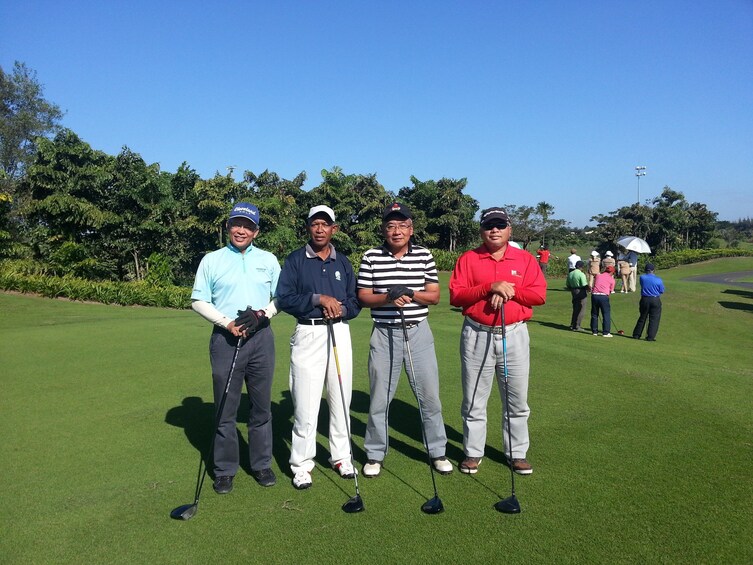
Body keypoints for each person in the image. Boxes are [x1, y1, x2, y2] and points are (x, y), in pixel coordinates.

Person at [190, 202, 281, 494]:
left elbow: (282, 296)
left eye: (248, 226)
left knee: (261, 406)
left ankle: (261, 464)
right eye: (236, 224)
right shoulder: (212, 260)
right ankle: (225, 469)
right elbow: (198, 300)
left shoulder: (268, 259)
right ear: (229, 226)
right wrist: (227, 322)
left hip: (261, 339)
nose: (241, 230)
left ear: (256, 231)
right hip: (226, 340)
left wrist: (262, 314)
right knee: (225, 408)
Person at [449, 207, 547, 476]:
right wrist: (489, 287)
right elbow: (457, 296)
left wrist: (508, 290)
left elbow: (539, 296)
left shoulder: (525, 259)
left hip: (513, 334)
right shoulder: (469, 259)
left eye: (500, 225)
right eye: (489, 226)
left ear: (509, 229)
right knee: (473, 399)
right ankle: (473, 452)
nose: (494, 230)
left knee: (516, 399)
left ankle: (517, 453)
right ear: (481, 230)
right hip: (477, 334)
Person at [357, 202, 452, 478]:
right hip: (384, 332)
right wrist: (388, 296)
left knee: (429, 396)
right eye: (390, 226)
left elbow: (433, 296)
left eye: (402, 225)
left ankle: (437, 451)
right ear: (384, 229)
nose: (396, 231)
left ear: (411, 229)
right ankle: (374, 454)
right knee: (378, 398)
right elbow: (363, 297)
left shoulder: (424, 256)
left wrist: (410, 292)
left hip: (418, 331)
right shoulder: (371, 256)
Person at [276, 205, 362, 490]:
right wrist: (318, 299)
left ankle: (341, 457)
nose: (320, 229)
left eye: (326, 224)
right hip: (308, 334)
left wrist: (341, 310)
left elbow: (355, 301)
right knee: (306, 403)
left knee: (340, 399)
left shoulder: (343, 262)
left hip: (338, 332)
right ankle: (301, 464)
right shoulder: (296, 260)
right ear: (309, 227)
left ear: (334, 229)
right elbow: (285, 298)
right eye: (315, 224)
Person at [632, 263, 665, 341]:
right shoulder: (658, 279)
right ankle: (650, 337)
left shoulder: (642, 277)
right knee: (654, 318)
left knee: (642, 317)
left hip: (645, 299)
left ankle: (636, 334)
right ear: (653, 270)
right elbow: (661, 291)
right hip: (655, 299)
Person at [590, 265, 615, 337]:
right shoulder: (612, 280)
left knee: (594, 314)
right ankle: (606, 332)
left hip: (594, 295)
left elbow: (595, 284)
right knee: (606, 314)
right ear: (612, 272)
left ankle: (594, 331)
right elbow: (611, 290)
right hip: (603, 296)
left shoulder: (598, 276)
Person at [566, 260, 589, 331]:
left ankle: (572, 324)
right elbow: (584, 285)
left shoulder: (570, 273)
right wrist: (589, 289)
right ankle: (577, 326)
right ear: (581, 267)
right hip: (580, 291)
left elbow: (568, 284)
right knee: (581, 309)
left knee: (575, 308)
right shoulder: (581, 274)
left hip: (573, 291)